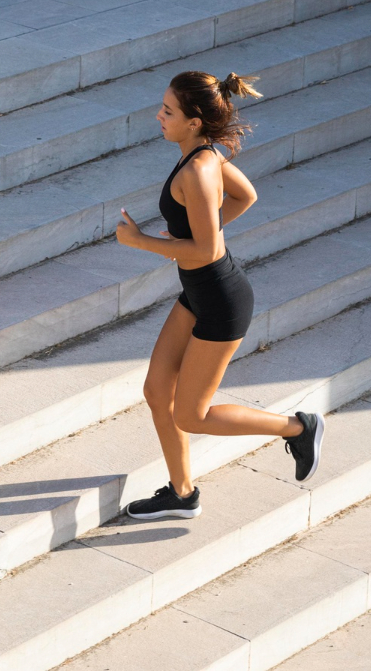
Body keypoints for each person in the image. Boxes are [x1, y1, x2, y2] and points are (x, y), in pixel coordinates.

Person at [115, 70, 323, 520]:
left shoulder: (196, 170)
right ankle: (182, 492)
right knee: (156, 390)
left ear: (193, 121)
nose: (159, 116)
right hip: (201, 293)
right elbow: (246, 196)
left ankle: (297, 427)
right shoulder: (204, 154)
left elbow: (207, 250)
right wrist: (190, 235)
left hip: (221, 305)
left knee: (191, 415)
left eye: (168, 111)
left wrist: (143, 242)